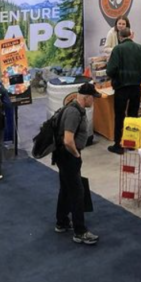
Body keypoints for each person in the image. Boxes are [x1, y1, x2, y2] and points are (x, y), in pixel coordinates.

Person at [53, 83, 100, 245]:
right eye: (93, 97)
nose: (94, 100)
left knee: (66, 189)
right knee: (77, 193)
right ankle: (80, 232)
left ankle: (62, 222)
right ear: (86, 97)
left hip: (63, 155)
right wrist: (76, 154)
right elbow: (68, 140)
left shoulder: (73, 108)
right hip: (68, 156)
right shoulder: (74, 113)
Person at [104, 27, 141, 155]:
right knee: (133, 115)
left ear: (120, 37)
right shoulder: (140, 48)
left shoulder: (117, 49)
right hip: (136, 87)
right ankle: (131, 142)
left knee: (119, 116)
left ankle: (118, 144)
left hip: (121, 88)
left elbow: (110, 70)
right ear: (130, 35)